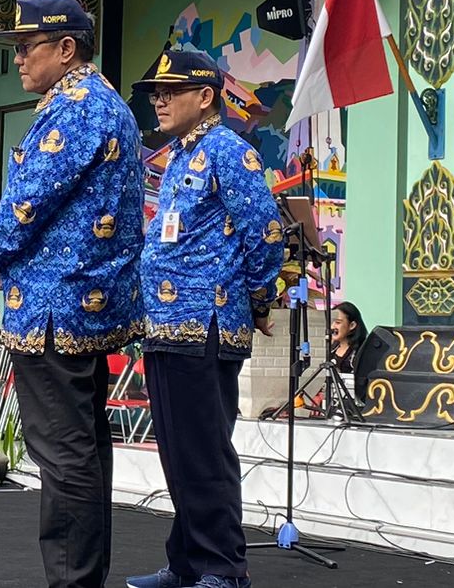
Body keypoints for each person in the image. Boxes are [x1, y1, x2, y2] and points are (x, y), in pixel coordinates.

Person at [0, 0, 143, 588]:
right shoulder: (107, 104)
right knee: (86, 451)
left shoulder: (73, 106)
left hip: (52, 306)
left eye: (26, 46)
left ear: (66, 48)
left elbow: (28, 199)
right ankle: (83, 576)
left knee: (64, 458)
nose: (17, 58)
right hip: (86, 306)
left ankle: (73, 581)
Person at [123, 49, 281, 588]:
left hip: (207, 325)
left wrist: (257, 300)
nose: (159, 101)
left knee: (204, 452)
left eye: (170, 91)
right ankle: (187, 563)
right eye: (154, 93)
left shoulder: (228, 152)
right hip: (164, 325)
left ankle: (223, 569)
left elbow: (266, 233)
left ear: (206, 97)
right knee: (177, 453)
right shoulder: (178, 156)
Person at [328, 301, 366, 375]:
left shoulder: (361, 351)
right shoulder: (333, 348)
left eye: (338, 322)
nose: (332, 327)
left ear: (352, 325)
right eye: (331, 322)